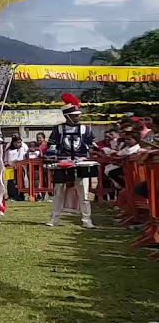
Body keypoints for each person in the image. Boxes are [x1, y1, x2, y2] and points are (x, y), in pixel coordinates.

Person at [46, 93, 95, 228]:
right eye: (75, 115)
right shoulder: (58, 129)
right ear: (67, 116)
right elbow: (50, 146)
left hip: (81, 163)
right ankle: (54, 219)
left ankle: (87, 220)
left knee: (84, 193)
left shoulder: (87, 129)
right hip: (62, 163)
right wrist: (54, 153)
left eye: (78, 115)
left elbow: (93, 144)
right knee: (58, 192)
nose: (77, 117)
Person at [4, 134, 29, 201]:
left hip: (19, 167)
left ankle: (20, 195)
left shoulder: (22, 148)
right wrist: (6, 162)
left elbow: (21, 157)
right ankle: (11, 196)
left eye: (19, 142)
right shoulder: (9, 149)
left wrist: (14, 161)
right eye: (17, 142)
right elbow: (6, 157)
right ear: (13, 142)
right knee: (11, 182)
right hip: (10, 168)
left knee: (20, 182)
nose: (18, 144)